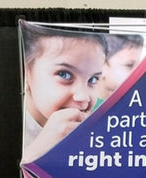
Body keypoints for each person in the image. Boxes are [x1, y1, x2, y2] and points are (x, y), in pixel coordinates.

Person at [20, 21, 107, 163]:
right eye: (64, 74)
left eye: (92, 79)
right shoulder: (0, 130)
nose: (83, 97)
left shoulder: (100, 124)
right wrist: (33, 156)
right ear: (26, 72)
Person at [94, 33, 145, 105]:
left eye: (139, 65)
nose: (138, 72)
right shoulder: (87, 112)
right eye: (129, 65)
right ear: (101, 65)